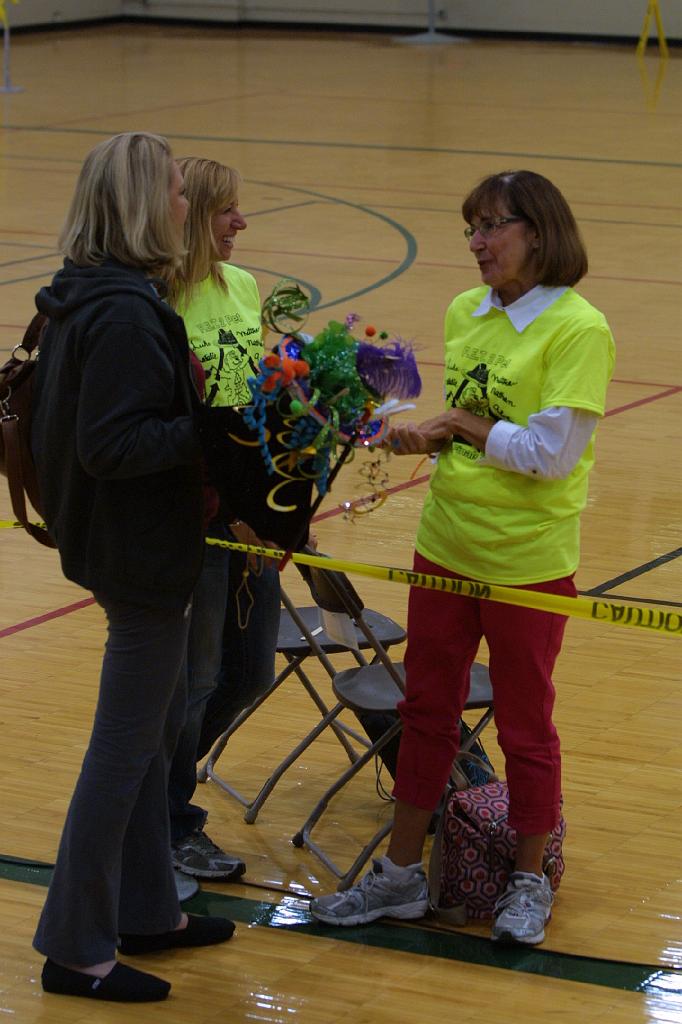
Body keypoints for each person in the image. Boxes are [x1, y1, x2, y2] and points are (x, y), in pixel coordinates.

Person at [310, 169, 615, 946]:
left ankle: (526, 881)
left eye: (491, 227)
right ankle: (402, 877)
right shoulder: (464, 312)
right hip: (445, 546)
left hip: (529, 563)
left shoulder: (580, 329)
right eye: (469, 229)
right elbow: (469, 431)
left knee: (524, 728)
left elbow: (549, 453)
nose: (476, 244)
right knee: (425, 714)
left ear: (538, 233)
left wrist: (463, 426)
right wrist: (417, 434)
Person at [30, 132, 235, 1004]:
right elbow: (113, 445)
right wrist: (212, 434)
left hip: (125, 546)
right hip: (137, 554)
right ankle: (76, 946)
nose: (188, 206)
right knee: (122, 752)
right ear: (148, 204)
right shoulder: (119, 311)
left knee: (148, 746)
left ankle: (150, 907)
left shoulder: (101, 293)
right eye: (180, 193)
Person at [164, 157, 281, 880]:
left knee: (250, 674)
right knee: (198, 679)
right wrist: (228, 507)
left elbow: (250, 407)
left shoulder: (242, 286)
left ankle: (157, 792)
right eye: (224, 211)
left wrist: (280, 504)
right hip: (195, 517)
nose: (240, 222)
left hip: (251, 514)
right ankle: (172, 819)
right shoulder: (158, 301)